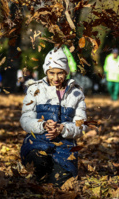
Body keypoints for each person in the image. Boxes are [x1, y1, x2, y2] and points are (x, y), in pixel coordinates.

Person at [20, 47, 87, 187]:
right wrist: (42, 125)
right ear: (46, 72)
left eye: (60, 73)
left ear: (66, 72)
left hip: (65, 148)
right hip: (38, 143)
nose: (56, 78)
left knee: (59, 181)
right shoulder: (35, 90)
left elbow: (81, 126)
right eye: (52, 73)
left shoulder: (76, 94)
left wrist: (63, 128)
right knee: (39, 163)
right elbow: (25, 120)